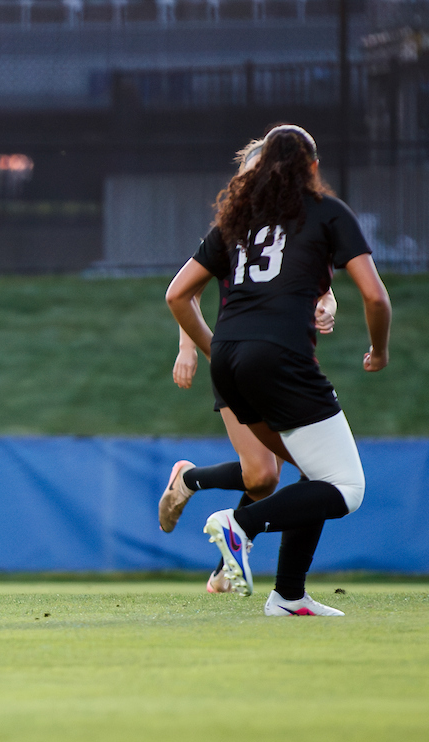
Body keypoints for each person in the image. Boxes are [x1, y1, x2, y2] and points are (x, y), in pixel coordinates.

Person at [166, 123, 391, 616]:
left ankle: (288, 595)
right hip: (279, 360)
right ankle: (240, 526)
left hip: (228, 361)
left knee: (312, 473)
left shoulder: (238, 219)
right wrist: (380, 350)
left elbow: (178, 294)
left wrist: (217, 351)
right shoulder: (326, 211)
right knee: (346, 487)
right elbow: (375, 295)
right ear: (312, 168)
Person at [158, 139, 337, 594]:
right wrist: (189, 346)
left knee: (267, 478)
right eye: (254, 172)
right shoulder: (233, 224)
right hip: (237, 359)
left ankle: (219, 546)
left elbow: (321, 278)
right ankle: (192, 486)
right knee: (265, 474)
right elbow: (186, 291)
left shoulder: (299, 225)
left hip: (282, 364)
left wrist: (328, 299)